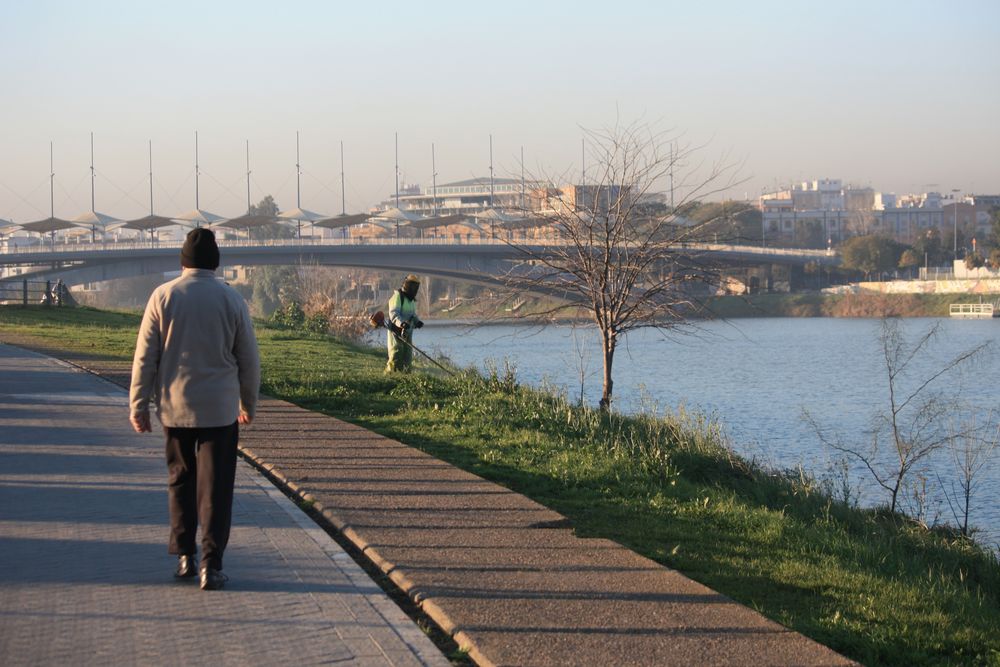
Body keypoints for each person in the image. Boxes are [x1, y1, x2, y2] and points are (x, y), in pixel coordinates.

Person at [129, 228, 260, 591]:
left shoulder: (163, 296)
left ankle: (184, 556)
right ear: (215, 263)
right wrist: (247, 404)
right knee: (215, 488)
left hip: (174, 407)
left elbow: (145, 357)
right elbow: (248, 360)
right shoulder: (231, 300)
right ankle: (210, 564)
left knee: (180, 481)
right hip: (219, 411)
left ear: (183, 262)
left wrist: (138, 405)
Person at [385, 274, 423, 372]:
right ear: (407, 284)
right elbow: (393, 313)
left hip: (407, 332)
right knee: (396, 353)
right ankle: (390, 375)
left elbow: (412, 315)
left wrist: (417, 322)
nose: (413, 289)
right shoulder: (398, 296)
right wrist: (401, 323)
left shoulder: (411, 300)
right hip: (395, 330)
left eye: (415, 287)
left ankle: (406, 376)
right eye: (412, 286)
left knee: (407, 356)